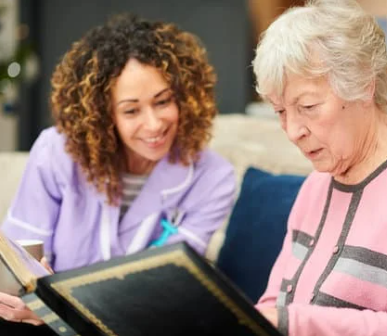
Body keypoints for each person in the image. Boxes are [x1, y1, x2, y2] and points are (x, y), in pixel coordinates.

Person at [0, 13, 236, 329]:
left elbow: (169, 287)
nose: (153, 124)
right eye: (131, 110)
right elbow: (20, 256)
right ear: (103, 114)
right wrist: (27, 299)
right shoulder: (55, 151)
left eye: (163, 101)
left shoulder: (214, 178)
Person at [252, 0, 387, 335]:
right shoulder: (316, 185)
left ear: (363, 84)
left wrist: (296, 323)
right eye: (280, 111)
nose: (292, 131)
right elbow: (273, 306)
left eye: (307, 106)